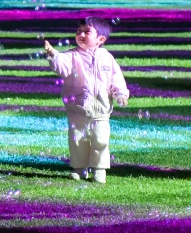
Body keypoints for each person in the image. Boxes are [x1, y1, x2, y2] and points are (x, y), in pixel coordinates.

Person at [43, 16, 129, 184]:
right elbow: (61, 66)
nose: (81, 35)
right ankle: (79, 168)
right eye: (78, 31)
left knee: (101, 140)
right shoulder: (72, 56)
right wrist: (53, 54)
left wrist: (121, 93)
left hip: (101, 111)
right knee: (78, 140)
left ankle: (99, 169)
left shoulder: (107, 58)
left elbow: (116, 77)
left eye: (87, 32)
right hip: (78, 109)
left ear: (100, 39)